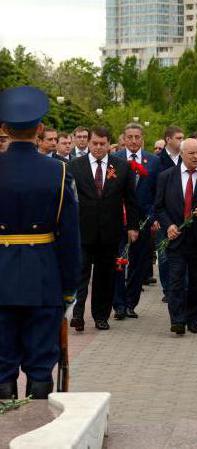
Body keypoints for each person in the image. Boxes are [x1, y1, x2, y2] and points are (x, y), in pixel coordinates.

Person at [0, 86, 80, 399]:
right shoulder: (58, 172)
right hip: (44, 278)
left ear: (4, 129)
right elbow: (70, 238)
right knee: (40, 364)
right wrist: (70, 287)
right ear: (41, 129)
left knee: (2, 363)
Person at [69, 127, 140, 331]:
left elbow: (131, 200)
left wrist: (133, 227)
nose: (98, 147)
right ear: (88, 143)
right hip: (82, 230)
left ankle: (101, 315)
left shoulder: (122, 167)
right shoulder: (75, 166)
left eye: (103, 144)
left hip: (110, 231)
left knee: (105, 276)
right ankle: (77, 314)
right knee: (81, 274)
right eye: (95, 143)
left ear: (109, 144)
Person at [155, 138, 197, 335]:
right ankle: (177, 320)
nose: (195, 156)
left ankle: (194, 319)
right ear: (182, 154)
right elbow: (159, 207)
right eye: (191, 153)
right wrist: (168, 225)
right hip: (176, 238)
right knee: (176, 280)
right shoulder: (166, 176)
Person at [111, 123, 161, 319]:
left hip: (143, 220)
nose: (133, 140)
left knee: (138, 264)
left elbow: (157, 192)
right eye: (129, 137)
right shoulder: (115, 159)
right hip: (118, 219)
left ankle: (131, 303)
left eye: (137, 137)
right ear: (123, 138)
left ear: (142, 138)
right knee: (117, 262)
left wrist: (153, 216)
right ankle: (118, 304)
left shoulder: (154, 161)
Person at [156, 126, 185, 303]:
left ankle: (181, 287)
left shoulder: (186, 158)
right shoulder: (157, 160)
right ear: (168, 139)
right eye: (179, 137)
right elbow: (154, 191)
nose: (182, 140)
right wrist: (156, 217)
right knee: (164, 254)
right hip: (164, 216)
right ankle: (168, 289)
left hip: (183, 215)